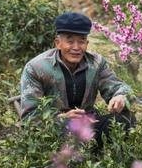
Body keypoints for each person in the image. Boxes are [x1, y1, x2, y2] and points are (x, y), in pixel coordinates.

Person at [19, 11, 135, 148]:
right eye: (70, 41)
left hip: (90, 124)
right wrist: (61, 118)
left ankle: (97, 154)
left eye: (81, 41)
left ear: (87, 43)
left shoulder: (97, 63)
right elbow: (30, 118)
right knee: (65, 131)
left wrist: (120, 96)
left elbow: (119, 87)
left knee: (126, 118)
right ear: (58, 43)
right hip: (55, 128)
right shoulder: (36, 67)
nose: (76, 47)